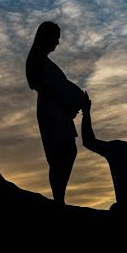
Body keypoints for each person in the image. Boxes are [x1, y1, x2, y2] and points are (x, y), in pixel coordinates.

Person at [26, 21, 89, 205]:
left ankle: (59, 198)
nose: (58, 43)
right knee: (63, 151)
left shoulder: (43, 62)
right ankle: (58, 199)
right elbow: (49, 87)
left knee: (64, 151)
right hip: (52, 112)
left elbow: (58, 86)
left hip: (56, 111)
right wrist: (70, 102)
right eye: (56, 38)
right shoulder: (39, 62)